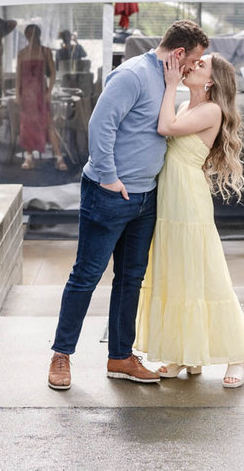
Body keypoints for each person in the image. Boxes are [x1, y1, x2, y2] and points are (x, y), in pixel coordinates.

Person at [47, 20, 210, 391]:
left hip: (145, 198)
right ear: (179, 53)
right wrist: (108, 177)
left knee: (131, 279)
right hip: (109, 194)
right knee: (86, 276)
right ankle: (61, 354)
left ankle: (120, 357)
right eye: (193, 60)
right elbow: (100, 125)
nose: (193, 68)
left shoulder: (169, 81)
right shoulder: (133, 75)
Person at [135, 53, 244, 388]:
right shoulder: (185, 105)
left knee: (205, 274)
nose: (192, 66)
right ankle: (186, 354)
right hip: (169, 197)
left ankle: (238, 354)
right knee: (177, 273)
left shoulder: (211, 110)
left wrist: (170, 83)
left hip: (188, 200)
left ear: (211, 81)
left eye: (201, 65)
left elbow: (165, 128)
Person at [17, 23, 68, 171]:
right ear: (26, 36)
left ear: (38, 35)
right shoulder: (22, 53)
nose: (32, 36)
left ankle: (59, 158)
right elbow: (18, 75)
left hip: (40, 94)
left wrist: (49, 91)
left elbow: (53, 73)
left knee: (48, 124)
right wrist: (17, 94)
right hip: (27, 95)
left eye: (34, 33)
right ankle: (29, 157)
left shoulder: (45, 51)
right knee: (27, 125)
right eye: (29, 33)